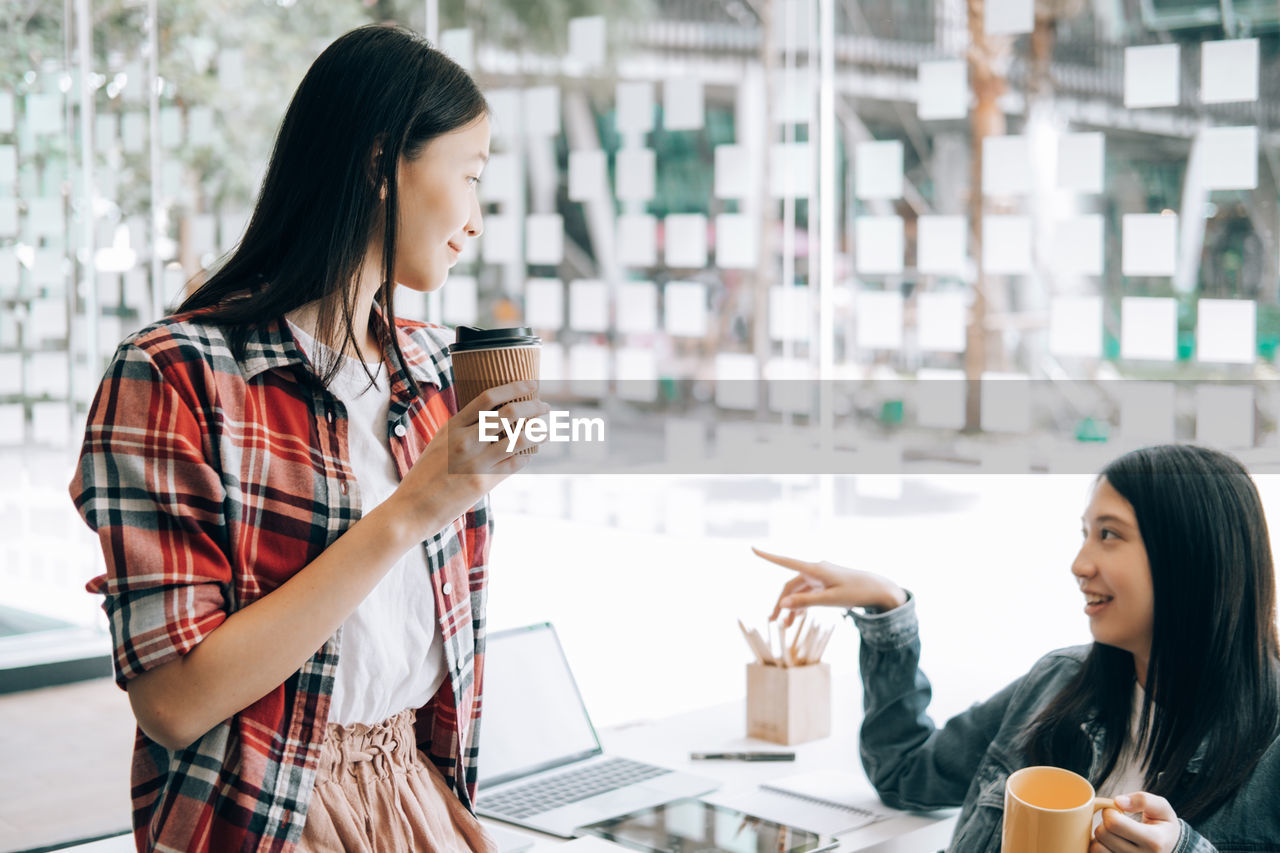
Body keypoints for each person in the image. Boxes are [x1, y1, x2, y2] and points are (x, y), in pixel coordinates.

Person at [68, 25, 546, 853]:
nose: (474, 216)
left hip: (418, 795)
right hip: (265, 812)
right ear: (380, 164)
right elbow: (174, 703)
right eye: (468, 176)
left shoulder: (432, 370)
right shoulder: (175, 374)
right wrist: (411, 509)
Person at [755, 444, 1280, 853]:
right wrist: (888, 611)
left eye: (1109, 535)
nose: (1080, 564)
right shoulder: (1060, 682)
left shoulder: (1269, 743)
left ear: (1189, 560)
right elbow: (906, 776)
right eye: (1085, 534)